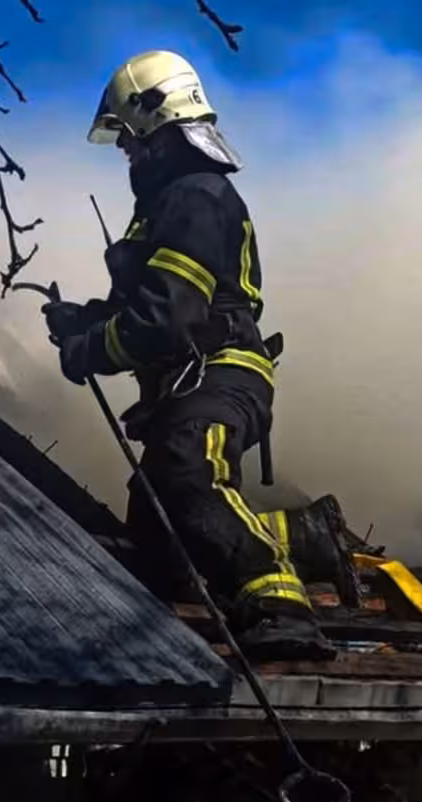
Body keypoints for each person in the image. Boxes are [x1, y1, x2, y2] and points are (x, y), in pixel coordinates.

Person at [43, 50, 356, 661]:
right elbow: (145, 307)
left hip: (215, 376)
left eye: (128, 140)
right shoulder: (169, 205)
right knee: (160, 532)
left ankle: (280, 607)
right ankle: (306, 535)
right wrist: (83, 321)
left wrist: (89, 352)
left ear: (154, 126)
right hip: (185, 384)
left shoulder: (196, 196)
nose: (125, 153)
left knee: (191, 478)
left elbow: (169, 318)